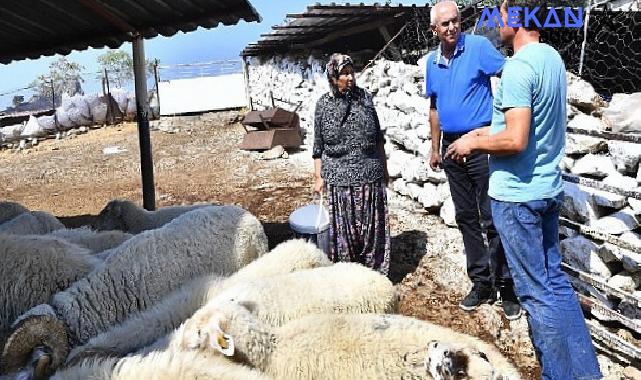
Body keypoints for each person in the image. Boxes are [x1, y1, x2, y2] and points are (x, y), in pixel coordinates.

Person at [445, 1, 602, 378]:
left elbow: (515, 139)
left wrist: (474, 145)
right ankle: (585, 373)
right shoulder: (551, 59)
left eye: (501, 14)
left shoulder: (516, 68)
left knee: (535, 295)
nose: (497, 22)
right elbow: (524, 127)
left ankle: (557, 374)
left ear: (515, 18)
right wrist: (479, 133)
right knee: (555, 283)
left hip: (518, 196)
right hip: (546, 189)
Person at [426, 0, 521, 319]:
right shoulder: (432, 62)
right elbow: (435, 107)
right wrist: (434, 147)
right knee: (466, 216)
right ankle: (481, 284)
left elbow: (509, 73)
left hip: (480, 143)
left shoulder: (479, 47)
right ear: (434, 30)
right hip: (452, 147)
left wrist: (504, 123)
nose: (452, 27)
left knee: (491, 216)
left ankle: (506, 287)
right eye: (445, 24)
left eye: (455, 21)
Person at [312, 53, 391, 276]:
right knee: (345, 237)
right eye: (343, 73)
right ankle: (350, 279)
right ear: (333, 77)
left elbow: (378, 138)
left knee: (371, 235)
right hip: (339, 182)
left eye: (351, 72)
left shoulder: (364, 98)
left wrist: (384, 169)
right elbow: (317, 147)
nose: (349, 78)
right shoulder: (323, 105)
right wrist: (318, 178)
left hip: (370, 177)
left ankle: (375, 278)